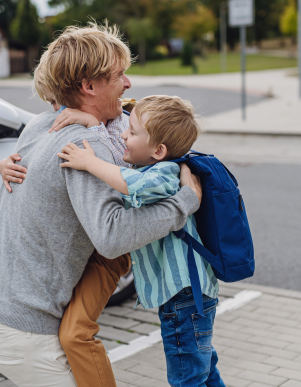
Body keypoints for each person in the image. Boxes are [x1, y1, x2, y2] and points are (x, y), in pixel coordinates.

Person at [0, 22, 203, 387]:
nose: (128, 83)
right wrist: (183, 202)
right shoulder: (86, 148)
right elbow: (112, 236)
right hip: (23, 331)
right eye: (119, 74)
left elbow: (144, 128)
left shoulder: (43, 123)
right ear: (89, 87)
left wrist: (93, 122)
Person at [57, 95, 226, 387]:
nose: (123, 134)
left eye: (132, 132)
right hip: (187, 297)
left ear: (158, 150)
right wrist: (95, 126)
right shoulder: (155, 166)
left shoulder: (166, 175)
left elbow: (129, 182)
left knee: (188, 377)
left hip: (185, 298)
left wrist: (89, 162)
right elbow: (121, 156)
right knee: (202, 368)